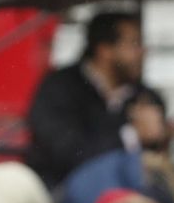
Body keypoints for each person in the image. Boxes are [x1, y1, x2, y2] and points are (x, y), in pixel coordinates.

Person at [24, 10, 144, 190]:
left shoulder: (143, 96)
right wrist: (131, 135)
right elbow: (70, 154)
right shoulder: (59, 88)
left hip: (130, 193)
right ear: (105, 50)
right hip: (62, 191)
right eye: (133, 44)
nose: (142, 52)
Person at [54, 84, 174, 203]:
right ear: (133, 111)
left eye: (159, 113)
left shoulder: (162, 152)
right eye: (149, 109)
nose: (156, 119)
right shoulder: (107, 147)